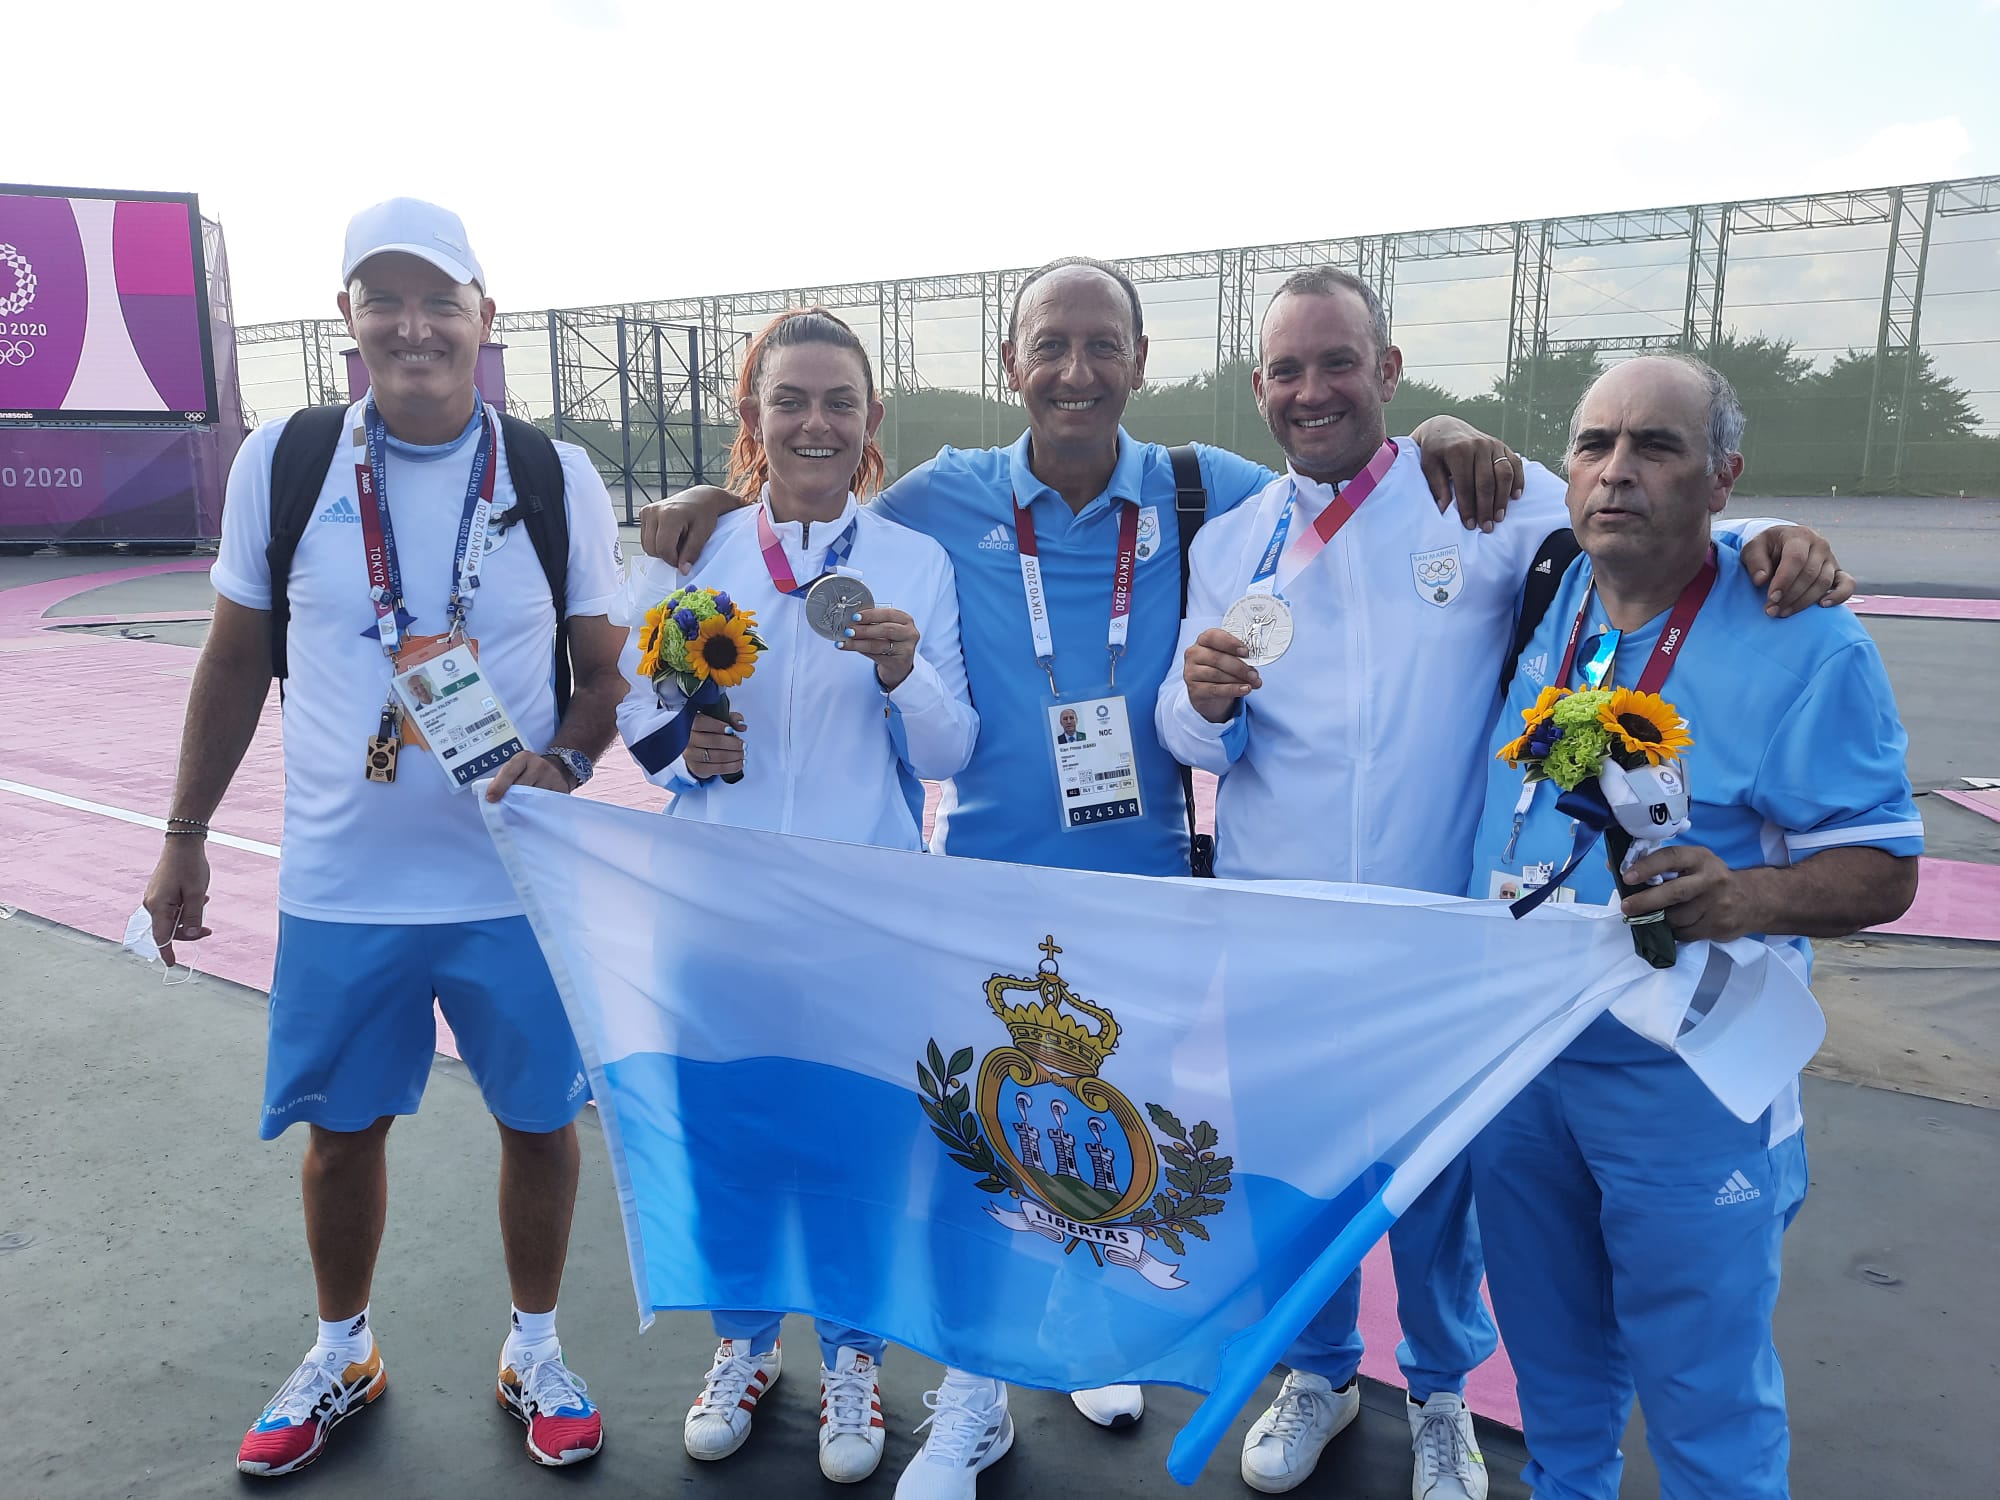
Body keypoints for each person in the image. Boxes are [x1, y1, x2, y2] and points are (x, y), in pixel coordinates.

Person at [637, 256, 1530, 1500]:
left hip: (1153, 886)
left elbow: (1333, 466)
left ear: (1140, 360)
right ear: (1012, 367)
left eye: (1099, 345)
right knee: (990, 1139)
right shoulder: (942, 503)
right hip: (989, 883)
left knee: (1130, 1147)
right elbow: (806, 499)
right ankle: (976, 1393)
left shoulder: (1203, 495)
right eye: (1048, 346)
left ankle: (1094, 1339)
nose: (1073, 370)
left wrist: (1441, 431)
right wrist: (701, 503)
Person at [1155, 270, 1850, 1499]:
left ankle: (1434, 1393)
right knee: (1289, 1173)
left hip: (1442, 939)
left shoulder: (1483, 493)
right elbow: (1189, 732)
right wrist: (1200, 703)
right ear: (1259, 386)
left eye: (1337, 362)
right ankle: (1315, 1372)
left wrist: (1761, 546)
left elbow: (1637, 524)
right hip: (1281, 930)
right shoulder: (1229, 540)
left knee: (1441, 1192)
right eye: (1285, 370)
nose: (1311, 390)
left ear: (1388, 367)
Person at [141, 198, 628, 1478]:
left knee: (539, 1124)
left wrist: (567, 756)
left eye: (439, 299)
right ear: (349, 316)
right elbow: (236, 657)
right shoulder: (286, 461)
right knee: (342, 1131)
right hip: (344, 885)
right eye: (384, 299)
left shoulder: (550, 475)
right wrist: (183, 834)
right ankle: (342, 1348)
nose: (413, 325)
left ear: (485, 315)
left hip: (512, 880)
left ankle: (535, 1347)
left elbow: (601, 672)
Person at [1466, 355, 1920, 1500]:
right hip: (1522, 1064)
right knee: (1554, 1375)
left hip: (1689, 1086)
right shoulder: (1551, 588)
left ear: (1722, 478)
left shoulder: (1805, 640)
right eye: (1592, 445)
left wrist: (1741, 897)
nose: (1614, 472)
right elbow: (1426, 448)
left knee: (1703, 1394)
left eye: (1655, 448)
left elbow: (1881, 871)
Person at [613, 307, 976, 1484]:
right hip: (711, 911)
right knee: (730, 1136)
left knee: (852, 1141)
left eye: (837, 403)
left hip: (858, 915)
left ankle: (858, 1358)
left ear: (872, 421)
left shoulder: (913, 565)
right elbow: (633, 717)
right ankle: (744, 1344)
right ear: (752, 418)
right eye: (789, 401)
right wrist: (680, 750)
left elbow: (948, 752)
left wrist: (901, 670)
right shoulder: (686, 557)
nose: (813, 422)